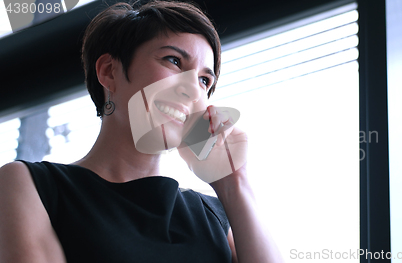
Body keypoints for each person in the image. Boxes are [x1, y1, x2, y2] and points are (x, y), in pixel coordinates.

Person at [0, 1, 283, 262]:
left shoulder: (214, 216)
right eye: (173, 60)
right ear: (109, 71)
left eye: (204, 79)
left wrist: (234, 182)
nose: (193, 89)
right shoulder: (32, 185)